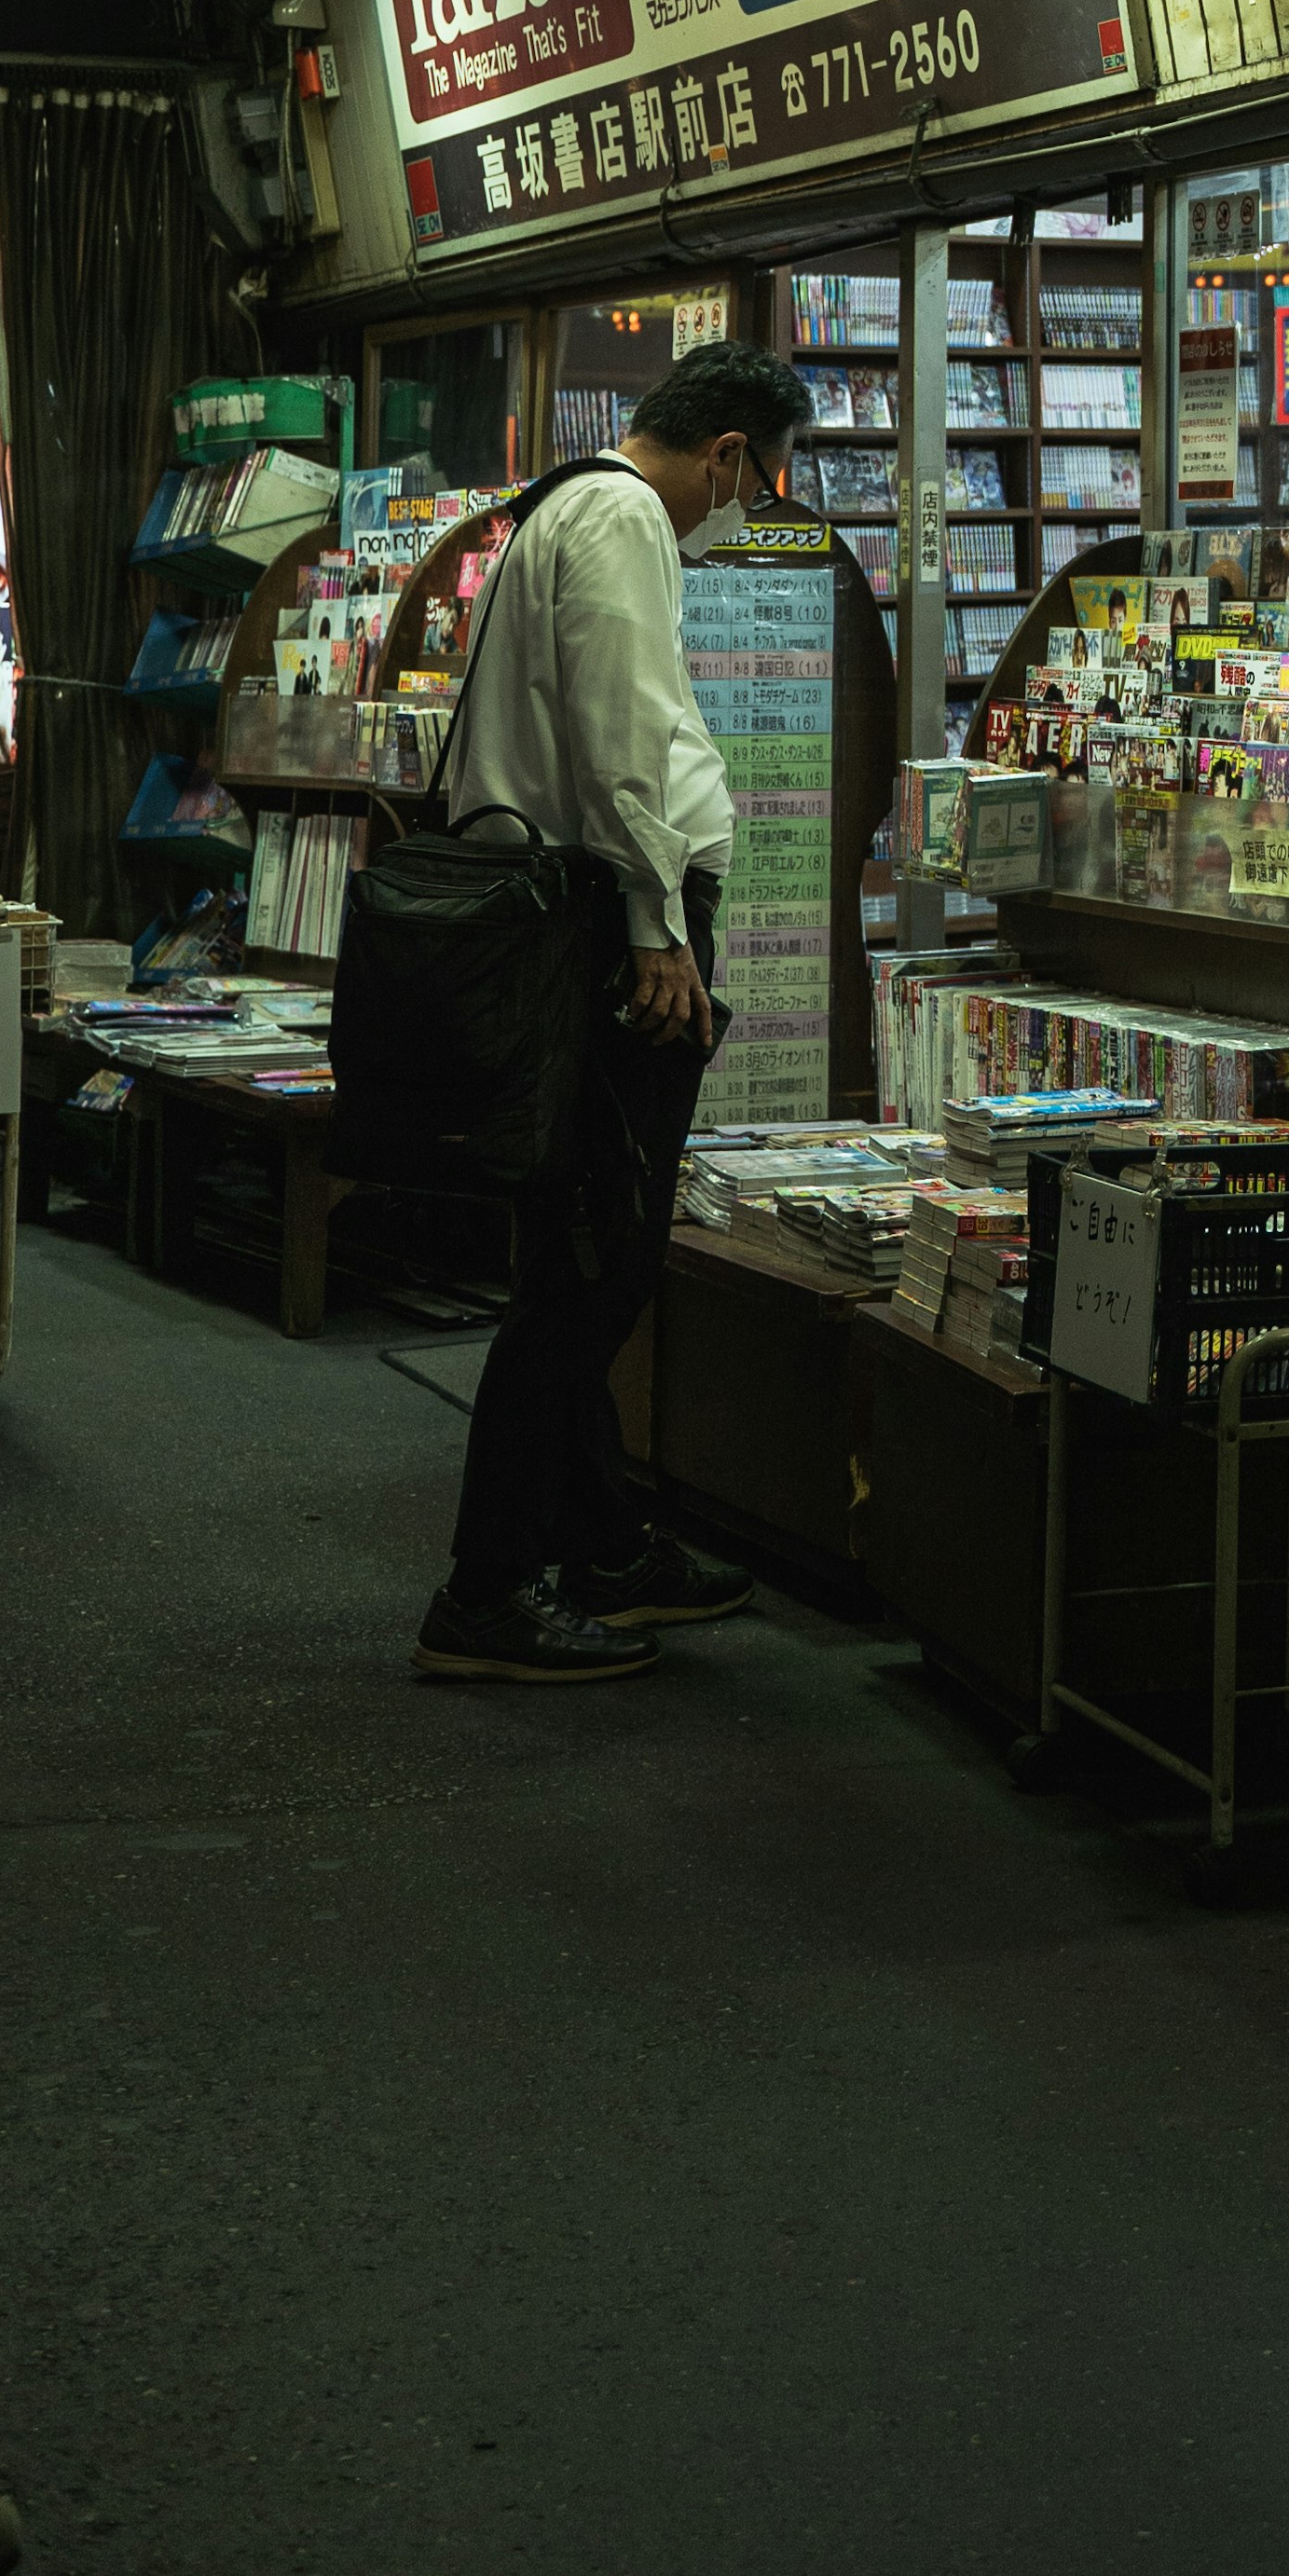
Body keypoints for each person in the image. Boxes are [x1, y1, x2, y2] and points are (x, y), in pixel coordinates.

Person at [411, 339, 814, 1688]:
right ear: (729, 457)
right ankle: (491, 1586)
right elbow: (621, 730)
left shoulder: (567, 503)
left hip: (578, 910)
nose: (746, 511)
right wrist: (656, 929)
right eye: (762, 485)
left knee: (590, 1251)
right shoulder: (627, 513)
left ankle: (600, 1546)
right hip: (603, 922)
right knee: (591, 1262)